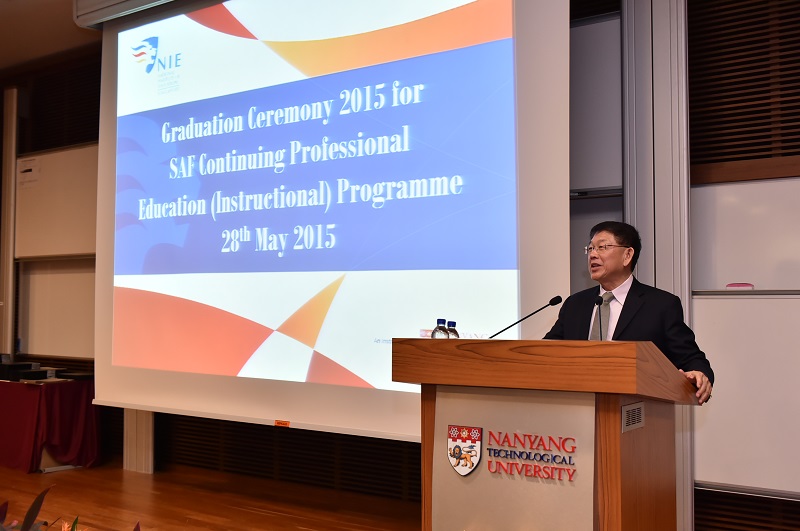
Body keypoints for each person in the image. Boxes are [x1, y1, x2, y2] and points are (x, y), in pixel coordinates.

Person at [544, 221, 714, 404]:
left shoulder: (661, 305)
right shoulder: (575, 304)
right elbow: (548, 351)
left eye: (602, 247)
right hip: (576, 404)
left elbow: (690, 357)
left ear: (627, 255)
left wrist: (700, 374)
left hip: (636, 409)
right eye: (590, 248)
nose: (593, 254)